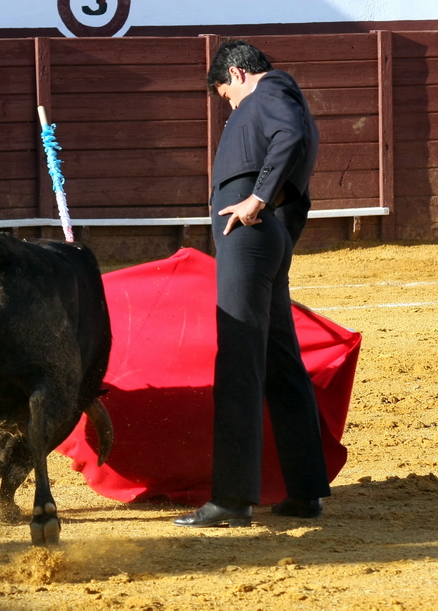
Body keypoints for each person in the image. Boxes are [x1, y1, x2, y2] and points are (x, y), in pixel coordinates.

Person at [174, 40, 330, 529]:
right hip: (264, 236)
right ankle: (305, 492)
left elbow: (290, 136)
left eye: (226, 95)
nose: (230, 105)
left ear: (239, 73)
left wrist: (256, 201)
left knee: (239, 358)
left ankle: (232, 499)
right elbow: (292, 145)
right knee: (279, 362)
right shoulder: (275, 97)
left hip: (248, 234)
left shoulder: (271, 89)